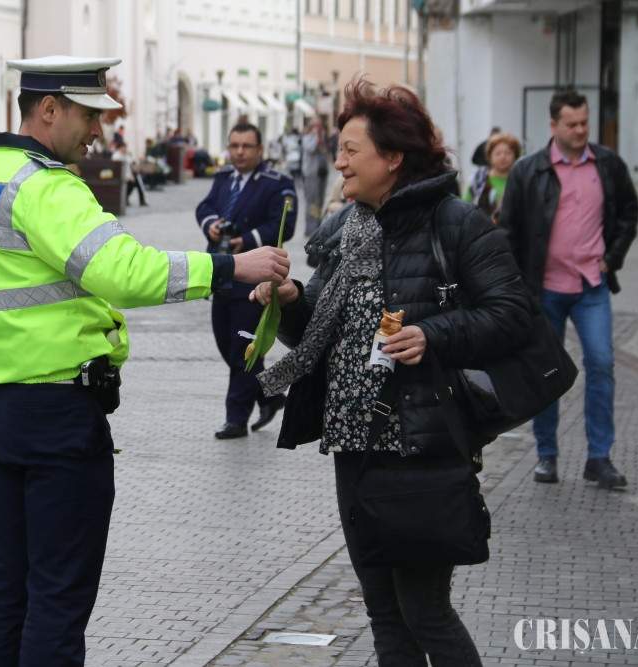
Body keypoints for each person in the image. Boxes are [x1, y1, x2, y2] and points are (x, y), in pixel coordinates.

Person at [0, 55, 290, 667]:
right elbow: (124, 272)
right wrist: (230, 267)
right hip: (58, 417)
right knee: (57, 596)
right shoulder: (46, 187)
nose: (98, 131)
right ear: (49, 108)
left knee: (6, 588)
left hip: (0, 411)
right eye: (89, 115)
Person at [253, 77, 532, 666]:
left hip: (421, 443)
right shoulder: (347, 229)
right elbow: (319, 331)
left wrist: (434, 334)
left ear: (394, 157)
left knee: (424, 611)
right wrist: (291, 299)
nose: (340, 162)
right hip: (354, 444)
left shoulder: (456, 223)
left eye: (351, 150)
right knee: (384, 614)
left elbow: (512, 315)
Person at [498, 89, 638, 489]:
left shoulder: (608, 164)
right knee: (547, 371)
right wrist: (515, 286)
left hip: (591, 286)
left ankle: (599, 458)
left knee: (602, 364)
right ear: (553, 125)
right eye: (572, 124)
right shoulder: (528, 171)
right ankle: (546, 455)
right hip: (544, 291)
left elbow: (629, 212)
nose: (580, 130)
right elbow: (509, 231)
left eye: (584, 123)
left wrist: (612, 257)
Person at [195, 122, 298, 439]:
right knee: (229, 347)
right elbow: (205, 206)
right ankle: (270, 396)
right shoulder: (224, 177)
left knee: (243, 350)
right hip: (223, 273)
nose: (239, 152)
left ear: (260, 149)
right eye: (234, 146)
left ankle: (235, 419)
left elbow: (285, 224)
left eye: (246, 146)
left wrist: (248, 239)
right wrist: (211, 225)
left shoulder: (277, 183)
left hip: (256, 281)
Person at [462, 131, 520, 224]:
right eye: (498, 153)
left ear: (515, 155)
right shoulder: (479, 179)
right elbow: (465, 203)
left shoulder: (520, 179)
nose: (503, 157)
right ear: (490, 156)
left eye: (508, 153)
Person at [301, 118, 330, 236]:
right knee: (312, 201)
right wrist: (315, 136)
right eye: (316, 126)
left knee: (319, 202)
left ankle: (317, 225)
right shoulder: (308, 138)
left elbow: (323, 152)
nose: (319, 128)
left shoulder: (321, 138)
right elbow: (311, 148)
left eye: (320, 126)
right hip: (312, 174)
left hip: (321, 173)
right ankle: (310, 227)